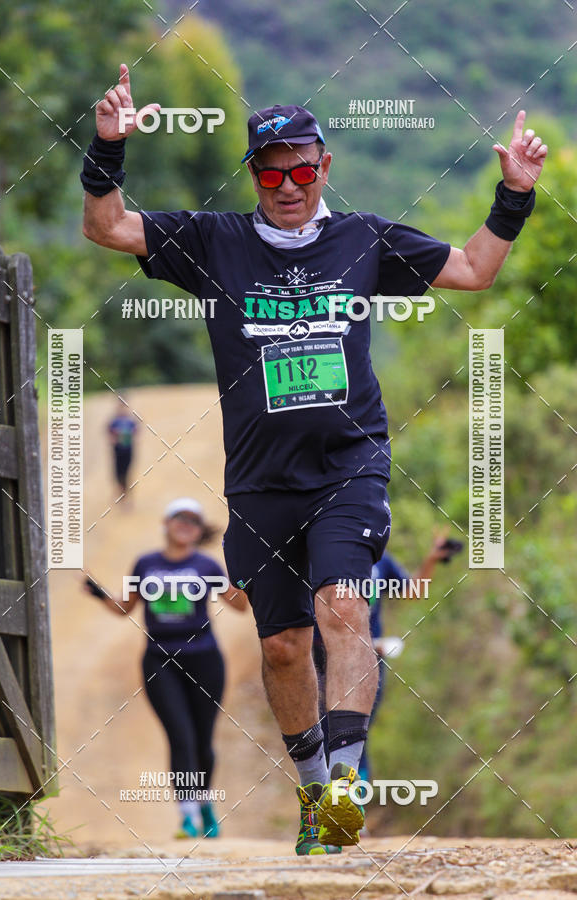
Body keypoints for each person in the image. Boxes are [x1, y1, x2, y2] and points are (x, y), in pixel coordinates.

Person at [80, 64, 547, 854]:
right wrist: (108, 148)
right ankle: (312, 793)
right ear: (253, 176)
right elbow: (107, 227)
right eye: (271, 174)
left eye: (301, 171)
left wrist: (515, 195)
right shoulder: (214, 241)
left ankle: (346, 784)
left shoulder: (363, 239)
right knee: (282, 645)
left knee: (344, 606)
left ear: (325, 165)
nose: (288, 187)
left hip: (348, 466)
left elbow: (474, 270)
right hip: (259, 481)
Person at [83, 497, 247, 838]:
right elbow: (124, 608)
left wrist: (248, 574)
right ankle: (187, 816)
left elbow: (240, 606)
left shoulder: (207, 566)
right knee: (180, 736)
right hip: (160, 660)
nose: (185, 524)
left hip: (204, 659)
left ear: (200, 530)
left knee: (202, 740)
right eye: (179, 518)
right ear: (166, 523)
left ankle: (205, 804)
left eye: (193, 520)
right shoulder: (146, 564)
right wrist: (99, 593)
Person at [313, 534, 463, 791]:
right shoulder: (323, 561)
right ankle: (327, 796)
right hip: (327, 659)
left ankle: (353, 796)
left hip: (370, 659)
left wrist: (431, 560)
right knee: (329, 730)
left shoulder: (381, 563)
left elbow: (413, 591)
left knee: (358, 728)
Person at [107, 396, 138, 498]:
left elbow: (135, 432)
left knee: (126, 473)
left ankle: (126, 494)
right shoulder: (114, 421)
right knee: (118, 473)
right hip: (118, 450)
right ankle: (120, 493)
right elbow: (109, 433)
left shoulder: (130, 421)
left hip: (128, 449)